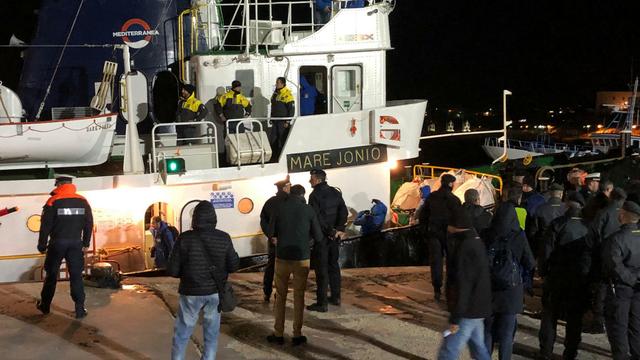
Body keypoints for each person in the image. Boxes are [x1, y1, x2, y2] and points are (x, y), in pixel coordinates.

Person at [167, 200, 239, 360]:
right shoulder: (224, 237)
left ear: (195, 219)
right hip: (214, 293)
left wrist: (188, 273)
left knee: (182, 334)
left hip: (190, 293)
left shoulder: (184, 239)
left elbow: (172, 270)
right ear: (214, 218)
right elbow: (234, 266)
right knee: (211, 336)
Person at [266, 185, 324, 346]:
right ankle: (297, 334)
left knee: (281, 296)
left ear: (290, 194)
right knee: (299, 296)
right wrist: (306, 242)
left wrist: (278, 238)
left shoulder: (279, 208)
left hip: (282, 257)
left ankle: (278, 334)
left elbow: (271, 233)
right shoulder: (308, 210)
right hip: (302, 258)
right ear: (303, 195)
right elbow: (318, 237)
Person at [483, 186, 535, 360]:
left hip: (489, 289)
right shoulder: (518, 235)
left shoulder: (487, 234)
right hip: (511, 291)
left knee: (488, 331)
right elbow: (529, 262)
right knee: (506, 336)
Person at [537, 200, 591, 360]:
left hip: (556, 276)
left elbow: (546, 250)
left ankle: (545, 352)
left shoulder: (557, 224)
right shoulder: (588, 226)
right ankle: (570, 353)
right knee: (574, 318)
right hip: (578, 279)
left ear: (567, 207)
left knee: (549, 316)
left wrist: (543, 271)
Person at [437, 208, 491, 360]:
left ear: (456, 225)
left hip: (467, 310)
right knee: (478, 348)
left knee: (449, 350)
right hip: (478, 307)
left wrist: (456, 318)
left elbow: (463, 285)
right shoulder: (475, 241)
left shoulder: (464, 247)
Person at [36, 176, 93, 319]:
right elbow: (89, 223)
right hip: (75, 243)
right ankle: (80, 309)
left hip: (57, 243)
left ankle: (45, 306)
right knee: (76, 276)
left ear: (59, 184)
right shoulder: (83, 201)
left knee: (51, 275)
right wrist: (86, 243)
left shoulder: (53, 201)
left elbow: (45, 227)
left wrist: (42, 245)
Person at [602, 200, 640, 360]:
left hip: (621, 288)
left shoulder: (616, 238)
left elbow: (614, 264)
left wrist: (630, 279)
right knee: (636, 324)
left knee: (619, 325)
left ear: (623, 215)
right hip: (638, 288)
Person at [307, 168, 348, 312]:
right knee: (334, 266)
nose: (309, 181)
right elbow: (343, 211)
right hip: (335, 238)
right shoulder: (335, 192)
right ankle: (336, 297)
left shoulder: (314, 196)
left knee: (321, 270)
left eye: (311, 179)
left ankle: (322, 303)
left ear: (318, 180)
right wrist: (339, 229)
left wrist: (330, 231)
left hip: (323, 238)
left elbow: (316, 218)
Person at [586, 187, 626, 333]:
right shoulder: (627, 215)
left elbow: (593, 235)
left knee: (601, 289)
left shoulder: (603, 213)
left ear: (611, 198)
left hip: (602, 256)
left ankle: (599, 322)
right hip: (623, 258)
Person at [419, 174, 461, 302]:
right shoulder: (454, 200)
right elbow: (459, 219)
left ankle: (437, 288)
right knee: (451, 261)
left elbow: (423, 216)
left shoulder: (432, 197)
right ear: (450, 184)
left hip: (434, 234)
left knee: (436, 261)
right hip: (449, 234)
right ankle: (450, 288)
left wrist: (425, 232)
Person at [259, 175, 291, 303]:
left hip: (273, 241)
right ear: (285, 188)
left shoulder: (269, 202)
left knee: (271, 266)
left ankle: (267, 292)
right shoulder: (290, 201)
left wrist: (271, 236)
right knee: (284, 268)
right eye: (289, 186)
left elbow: (263, 221)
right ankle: (280, 293)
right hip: (287, 240)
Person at [531, 183, 567, 259]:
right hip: (562, 245)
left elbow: (534, 230)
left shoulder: (540, 208)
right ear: (561, 194)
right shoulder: (566, 208)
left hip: (544, 244)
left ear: (550, 194)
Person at [270, 77, 295, 160]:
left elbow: (291, 109)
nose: (276, 84)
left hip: (282, 121)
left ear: (282, 84)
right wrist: (271, 117)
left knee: (282, 138)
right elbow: (273, 106)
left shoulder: (287, 94)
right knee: (273, 138)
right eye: (276, 82)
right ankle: (274, 156)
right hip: (275, 120)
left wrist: (287, 121)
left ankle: (282, 157)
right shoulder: (276, 93)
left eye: (278, 83)